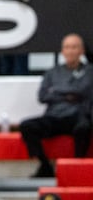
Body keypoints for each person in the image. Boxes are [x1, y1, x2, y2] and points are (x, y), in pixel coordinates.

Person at [19, 33, 93, 177]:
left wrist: (57, 91)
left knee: (84, 127)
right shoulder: (52, 73)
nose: (70, 51)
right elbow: (42, 96)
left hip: (77, 116)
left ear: (82, 51)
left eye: (74, 47)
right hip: (54, 116)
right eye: (67, 47)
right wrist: (69, 94)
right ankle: (45, 166)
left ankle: (76, 167)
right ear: (62, 51)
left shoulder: (89, 71)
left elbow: (84, 91)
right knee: (27, 126)